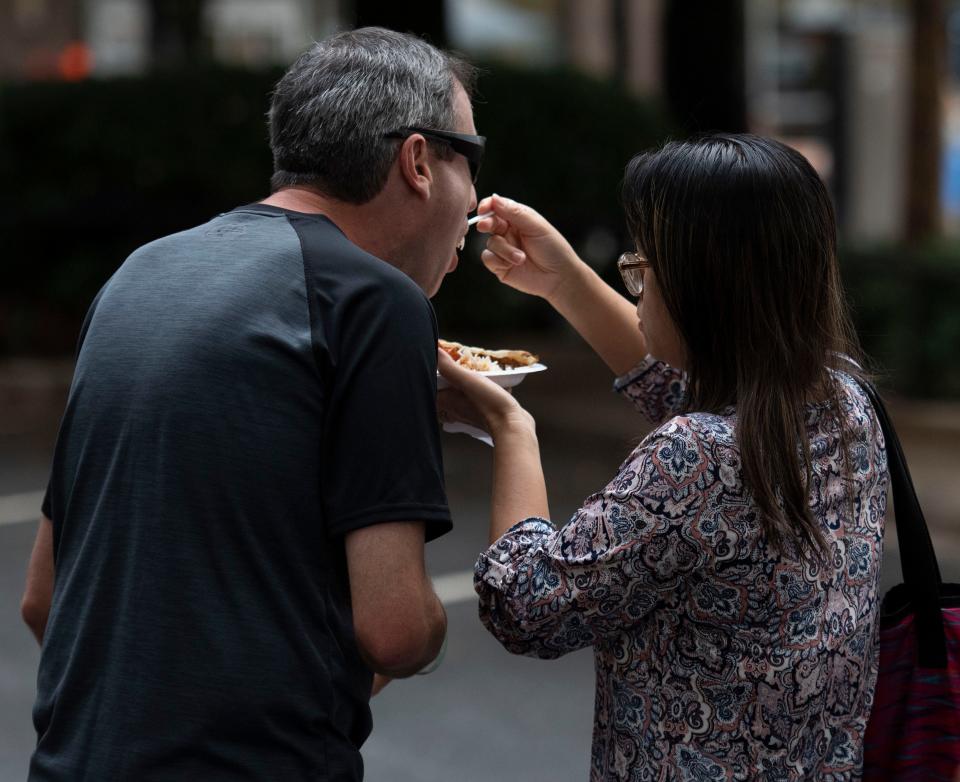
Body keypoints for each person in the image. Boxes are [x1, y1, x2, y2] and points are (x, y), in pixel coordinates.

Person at [20, 27, 481, 780]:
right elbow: (396, 631)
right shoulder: (376, 302)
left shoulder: (142, 272)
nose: (476, 201)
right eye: (473, 157)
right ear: (420, 161)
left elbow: (44, 599)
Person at [438, 135, 888, 780]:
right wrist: (564, 279)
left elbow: (527, 607)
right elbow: (680, 388)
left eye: (645, 268)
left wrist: (508, 425)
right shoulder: (845, 401)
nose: (638, 288)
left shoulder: (697, 458)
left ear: (708, 287)